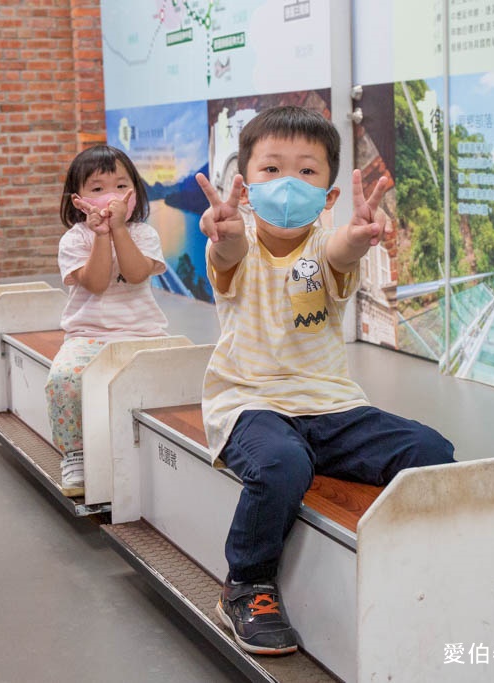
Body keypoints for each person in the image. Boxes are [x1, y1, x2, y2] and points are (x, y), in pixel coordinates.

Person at [195, 106, 456, 655]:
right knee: (281, 463)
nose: (288, 183)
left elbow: (340, 252)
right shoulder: (236, 243)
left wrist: (359, 236)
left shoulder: (326, 246)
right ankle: (247, 584)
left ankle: (428, 568)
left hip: (332, 407)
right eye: (270, 170)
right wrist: (223, 234)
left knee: (432, 449)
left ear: (330, 195)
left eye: (307, 172)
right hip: (250, 405)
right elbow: (229, 252)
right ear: (244, 188)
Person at [45, 145, 169, 496]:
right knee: (64, 380)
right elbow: (97, 283)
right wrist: (101, 234)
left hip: (144, 333)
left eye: (120, 186)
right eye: (97, 189)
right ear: (78, 199)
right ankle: (75, 454)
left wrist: (119, 231)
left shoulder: (144, 234)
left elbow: (135, 274)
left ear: (135, 192)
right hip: (88, 336)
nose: (110, 196)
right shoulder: (74, 240)